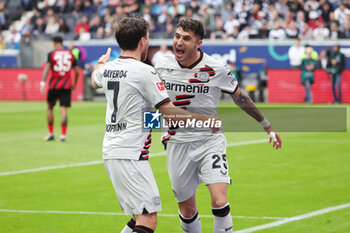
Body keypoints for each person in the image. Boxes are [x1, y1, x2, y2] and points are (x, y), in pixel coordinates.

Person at [91, 16, 219, 233]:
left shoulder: (109, 67)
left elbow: (94, 80)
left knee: (139, 217)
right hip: (129, 153)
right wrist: (205, 120)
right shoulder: (144, 71)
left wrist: (101, 64)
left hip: (115, 148)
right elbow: (169, 112)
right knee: (147, 220)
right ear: (142, 41)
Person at [155, 18, 282, 233]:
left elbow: (240, 97)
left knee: (219, 201)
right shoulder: (161, 67)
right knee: (187, 210)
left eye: (186, 38)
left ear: (198, 43)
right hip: (177, 143)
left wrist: (266, 126)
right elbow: (153, 109)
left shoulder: (216, 68)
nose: (179, 42)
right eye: (177, 36)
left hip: (209, 140)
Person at [40, 36, 79, 141]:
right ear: (62, 43)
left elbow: (47, 69)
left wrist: (43, 82)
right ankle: (63, 135)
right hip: (66, 86)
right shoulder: (70, 54)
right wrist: (74, 83)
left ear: (54, 43)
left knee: (49, 108)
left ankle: (51, 133)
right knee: (63, 110)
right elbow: (76, 71)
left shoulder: (51, 54)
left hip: (53, 85)